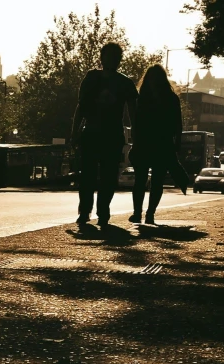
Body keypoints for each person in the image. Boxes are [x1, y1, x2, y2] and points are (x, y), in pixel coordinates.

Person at [70, 42, 138, 226]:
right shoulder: (97, 79)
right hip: (95, 133)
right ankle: (87, 211)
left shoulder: (122, 82)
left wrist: (136, 135)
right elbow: (81, 107)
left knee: (105, 177)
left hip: (109, 135)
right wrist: (74, 131)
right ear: (102, 58)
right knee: (89, 176)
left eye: (115, 57)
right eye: (109, 56)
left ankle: (100, 211)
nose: (112, 60)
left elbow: (133, 112)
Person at [129, 64, 188, 225]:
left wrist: (134, 141)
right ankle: (150, 213)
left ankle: (138, 213)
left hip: (144, 143)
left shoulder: (141, 98)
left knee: (140, 181)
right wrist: (177, 144)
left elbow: (135, 122)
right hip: (163, 143)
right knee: (157, 181)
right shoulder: (171, 98)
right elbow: (178, 124)